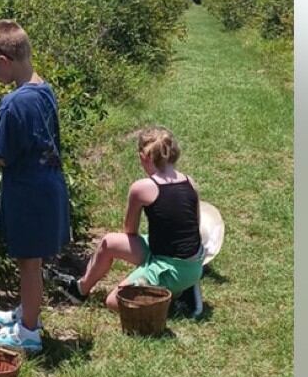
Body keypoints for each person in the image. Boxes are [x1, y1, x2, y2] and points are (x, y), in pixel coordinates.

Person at [0, 20, 70, 355]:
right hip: (47, 188)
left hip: (28, 195)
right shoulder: (42, 89)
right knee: (32, 263)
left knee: (28, 263)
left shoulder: (12, 103)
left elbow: (3, 156)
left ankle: (29, 333)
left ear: (4, 61)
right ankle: (28, 312)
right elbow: (29, 140)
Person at [59, 126, 203, 312]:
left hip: (170, 267)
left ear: (144, 158)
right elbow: (195, 227)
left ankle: (175, 297)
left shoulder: (141, 188)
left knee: (113, 302)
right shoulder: (189, 181)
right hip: (191, 262)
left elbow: (130, 231)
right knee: (108, 242)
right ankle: (80, 289)